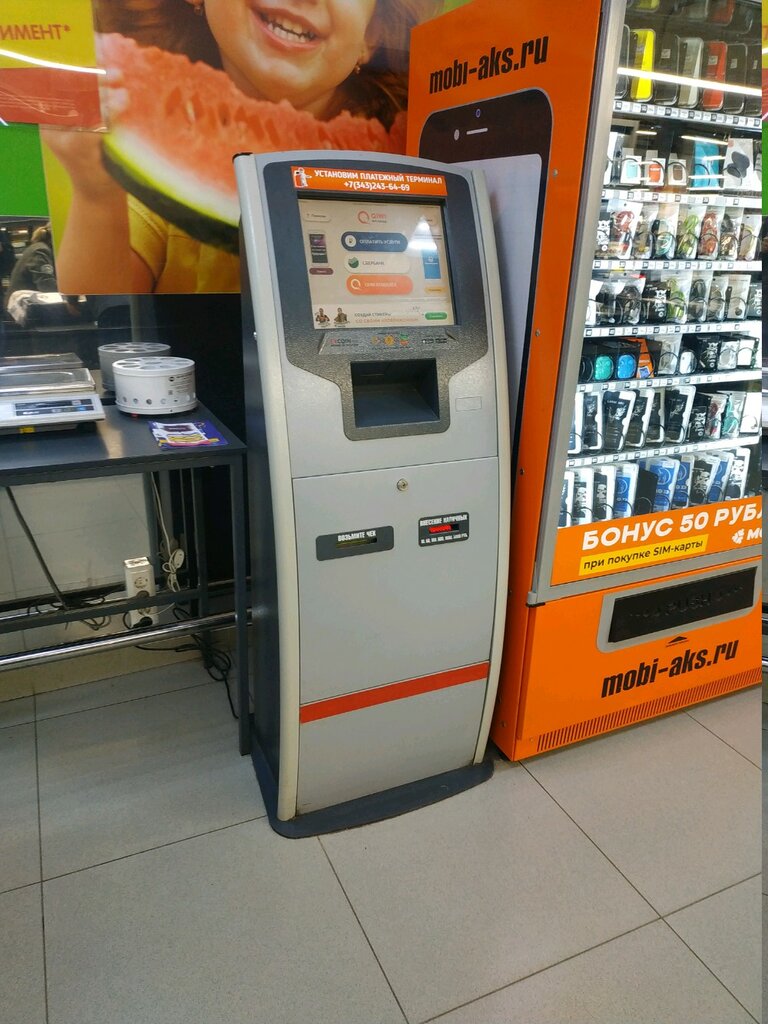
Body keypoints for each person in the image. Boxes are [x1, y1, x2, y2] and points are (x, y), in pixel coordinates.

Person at [43, 0, 440, 295]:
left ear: (371, 36)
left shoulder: (409, 149)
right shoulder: (145, 145)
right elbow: (108, 312)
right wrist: (97, 196)